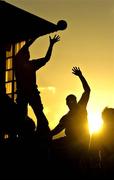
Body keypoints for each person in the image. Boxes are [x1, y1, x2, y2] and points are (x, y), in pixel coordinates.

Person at [14, 34, 60, 139]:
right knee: (35, 113)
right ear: (26, 56)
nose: (28, 53)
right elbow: (45, 58)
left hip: (26, 93)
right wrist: (50, 44)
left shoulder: (20, 63)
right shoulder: (28, 64)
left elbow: (46, 58)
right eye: (27, 53)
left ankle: (39, 133)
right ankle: (41, 132)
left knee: (31, 114)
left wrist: (49, 44)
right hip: (28, 93)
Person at [51, 66, 91, 170]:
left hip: (82, 141)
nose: (71, 103)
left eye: (73, 101)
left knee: (79, 162)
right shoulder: (66, 117)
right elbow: (57, 129)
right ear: (67, 104)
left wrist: (81, 76)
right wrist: (46, 135)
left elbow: (87, 90)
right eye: (69, 102)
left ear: (76, 101)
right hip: (71, 141)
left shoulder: (81, 107)